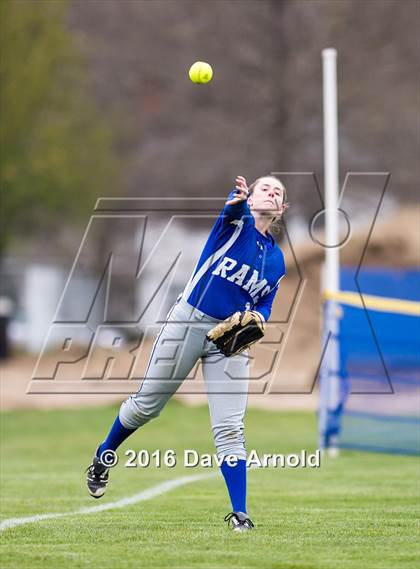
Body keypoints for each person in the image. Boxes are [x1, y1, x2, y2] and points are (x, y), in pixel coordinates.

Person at [86, 174, 288, 532]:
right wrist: (237, 199)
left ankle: (240, 514)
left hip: (228, 338)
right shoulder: (236, 224)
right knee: (147, 405)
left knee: (230, 428)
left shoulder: (276, 260)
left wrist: (260, 315)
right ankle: (104, 456)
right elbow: (231, 211)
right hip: (189, 322)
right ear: (253, 197)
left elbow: (267, 300)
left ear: (282, 208)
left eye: (278, 192)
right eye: (264, 189)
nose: (271, 193)